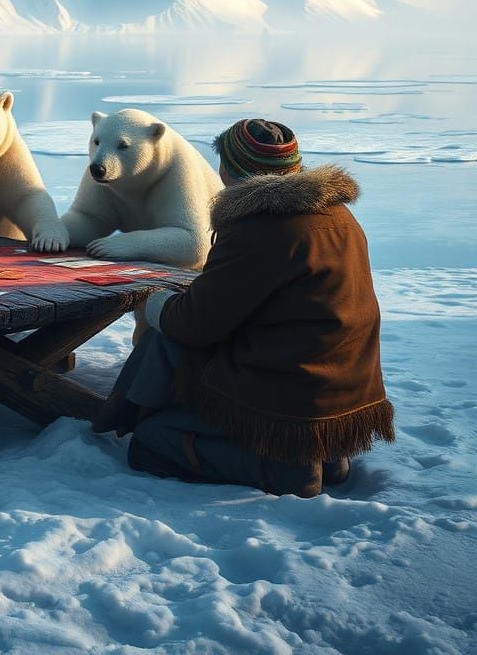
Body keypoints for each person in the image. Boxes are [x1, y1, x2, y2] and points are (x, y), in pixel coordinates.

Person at [95, 118, 394, 497]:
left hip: (292, 400)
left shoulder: (260, 226)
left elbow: (197, 324)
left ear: (231, 169)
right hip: (345, 393)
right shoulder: (338, 216)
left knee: (151, 439)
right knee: (171, 329)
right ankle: (324, 451)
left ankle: (285, 467)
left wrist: (155, 306)